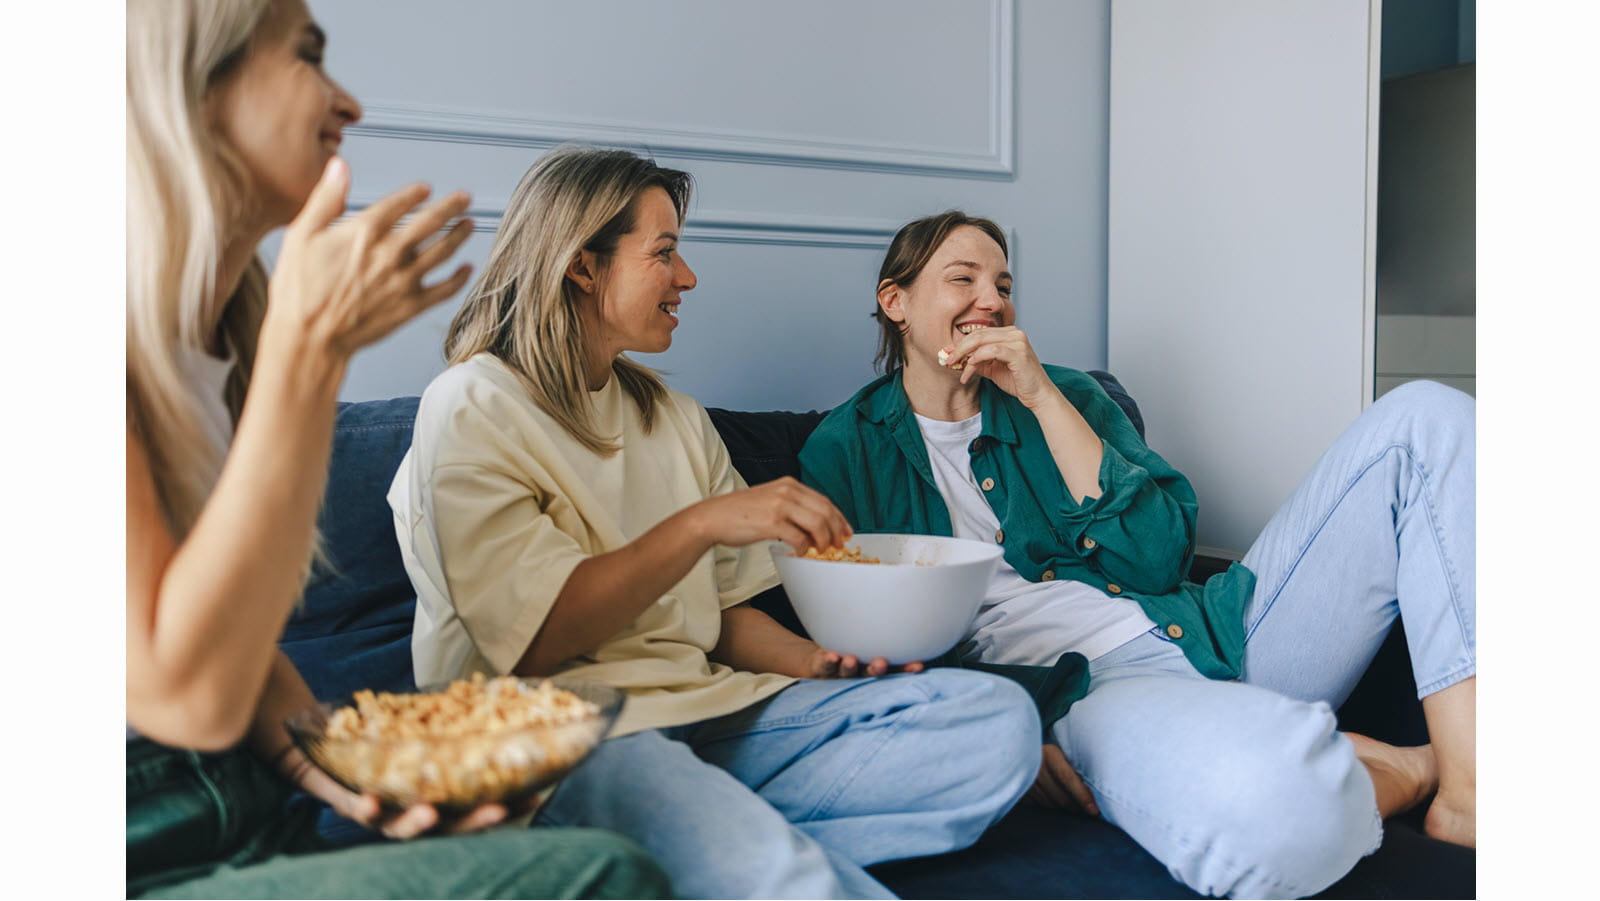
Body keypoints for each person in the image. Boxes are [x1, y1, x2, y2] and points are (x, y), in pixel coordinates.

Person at [388, 147, 1043, 899]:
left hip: (713, 715)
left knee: (995, 722)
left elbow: (726, 614)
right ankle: (720, 848)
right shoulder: (473, 403)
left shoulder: (671, 417)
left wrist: (818, 667)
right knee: (779, 875)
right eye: (663, 253)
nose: (687, 276)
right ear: (582, 266)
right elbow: (535, 637)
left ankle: (683, 844)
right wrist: (702, 523)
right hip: (561, 734)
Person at [125, 2, 671, 897]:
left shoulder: (222, 335)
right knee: (609, 872)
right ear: (193, 84)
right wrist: (311, 354)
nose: (348, 103)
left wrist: (337, 767)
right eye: (307, 57)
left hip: (248, 810)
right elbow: (185, 693)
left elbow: (230, 635)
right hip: (127, 841)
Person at [796, 211, 1476, 900]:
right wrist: (1001, 744)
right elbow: (857, 634)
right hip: (1094, 693)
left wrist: (1039, 393)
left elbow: (1158, 559)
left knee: (1426, 418)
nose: (992, 299)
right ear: (896, 302)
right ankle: (1410, 766)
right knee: (1278, 817)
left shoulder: (1069, 395)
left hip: (1221, 633)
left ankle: (1469, 790)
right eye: (962, 279)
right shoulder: (845, 448)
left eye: (1002, 283)